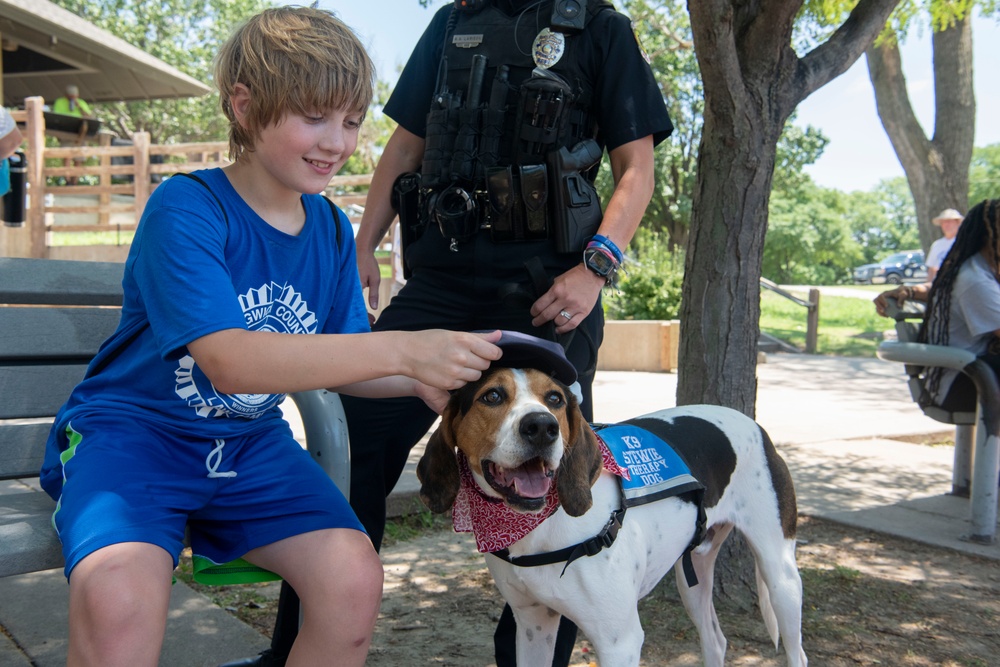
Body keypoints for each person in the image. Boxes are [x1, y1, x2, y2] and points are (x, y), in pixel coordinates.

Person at [38, 8, 502, 667]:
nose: (337, 141)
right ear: (246, 106)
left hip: (248, 447)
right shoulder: (189, 207)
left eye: (350, 120)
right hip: (135, 441)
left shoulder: (332, 231)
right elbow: (229, 359)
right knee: (117, 597)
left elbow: (344, 360)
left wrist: (432, 375)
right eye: (314, 116)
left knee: (352, 575)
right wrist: (402, 346)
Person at [227, 2, 674, 666]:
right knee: (352, 446)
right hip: (441, 285)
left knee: (550, 489)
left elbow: (636, 165)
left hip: (550, 289)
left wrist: (594, 270)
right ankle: (297, 646)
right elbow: (407, 144)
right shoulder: (450, 23)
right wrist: (363, 244)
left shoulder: (600, 29)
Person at [874, 199, 1000, 411]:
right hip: (966, 382)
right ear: (990, 236)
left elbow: (941, 290)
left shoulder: (982, 272)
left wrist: (913, 291)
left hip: (975, 376)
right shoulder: (976, 280)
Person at [926, 208, 963, 281]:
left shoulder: (964, 242)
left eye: (949, 221)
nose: (946, 225)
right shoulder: (936, 245)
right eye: (943, 222)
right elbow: (931, 269)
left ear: (957, 223)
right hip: (940, 286)